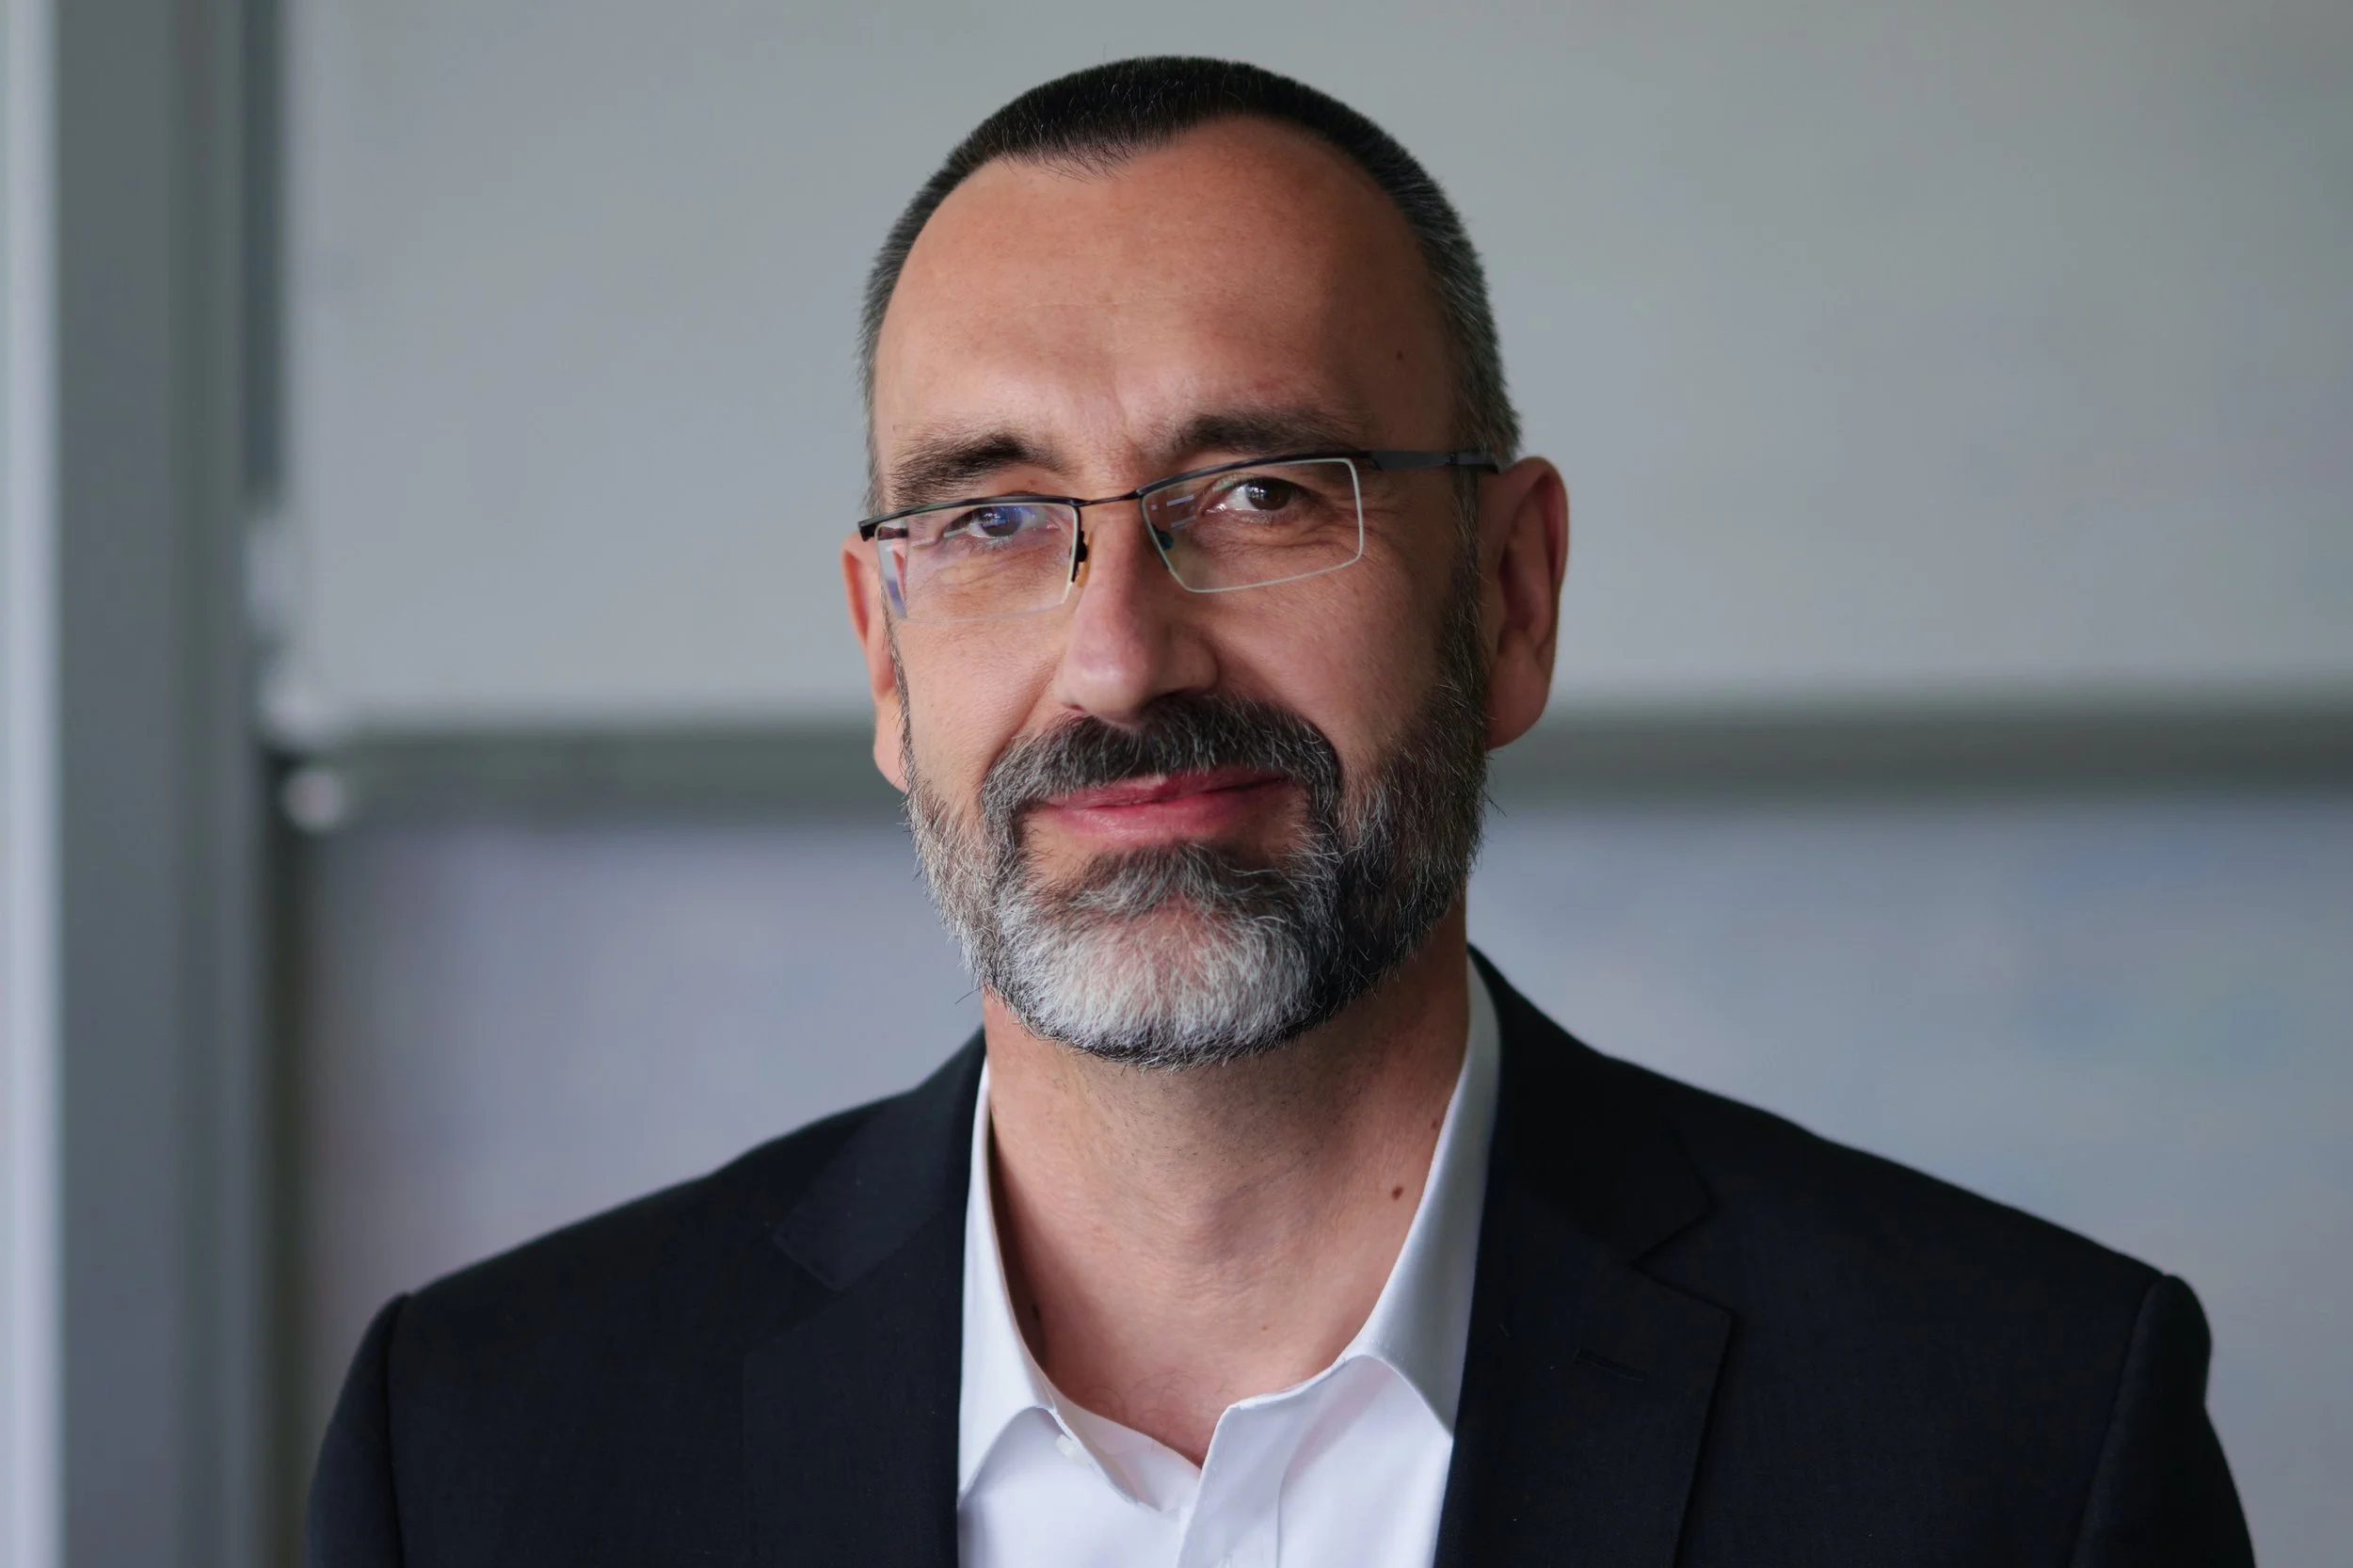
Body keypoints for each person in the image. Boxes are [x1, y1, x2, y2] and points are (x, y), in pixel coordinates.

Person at [308, 56, 2251, 1567]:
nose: (1117, 659)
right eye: (992, 520)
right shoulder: (484, 1447)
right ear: (885, 661)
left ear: (1505, 595)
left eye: (1260, 495)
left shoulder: (2011, 1432)